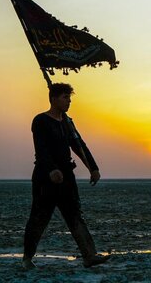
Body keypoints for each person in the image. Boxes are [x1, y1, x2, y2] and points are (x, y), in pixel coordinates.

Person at [22, 83, 110, 269]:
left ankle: (89, 256)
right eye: (65, 97)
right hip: (45, 178)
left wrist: (92, 168)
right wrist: (52, 170)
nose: (68, 101)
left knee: (75, 215)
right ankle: (27, 259)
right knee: (39, 217)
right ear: (53, 98)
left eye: (69, 98)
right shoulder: (40, 121)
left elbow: (79, 146)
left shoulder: (68, 122)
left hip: (67, 177)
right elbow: (41, 149)